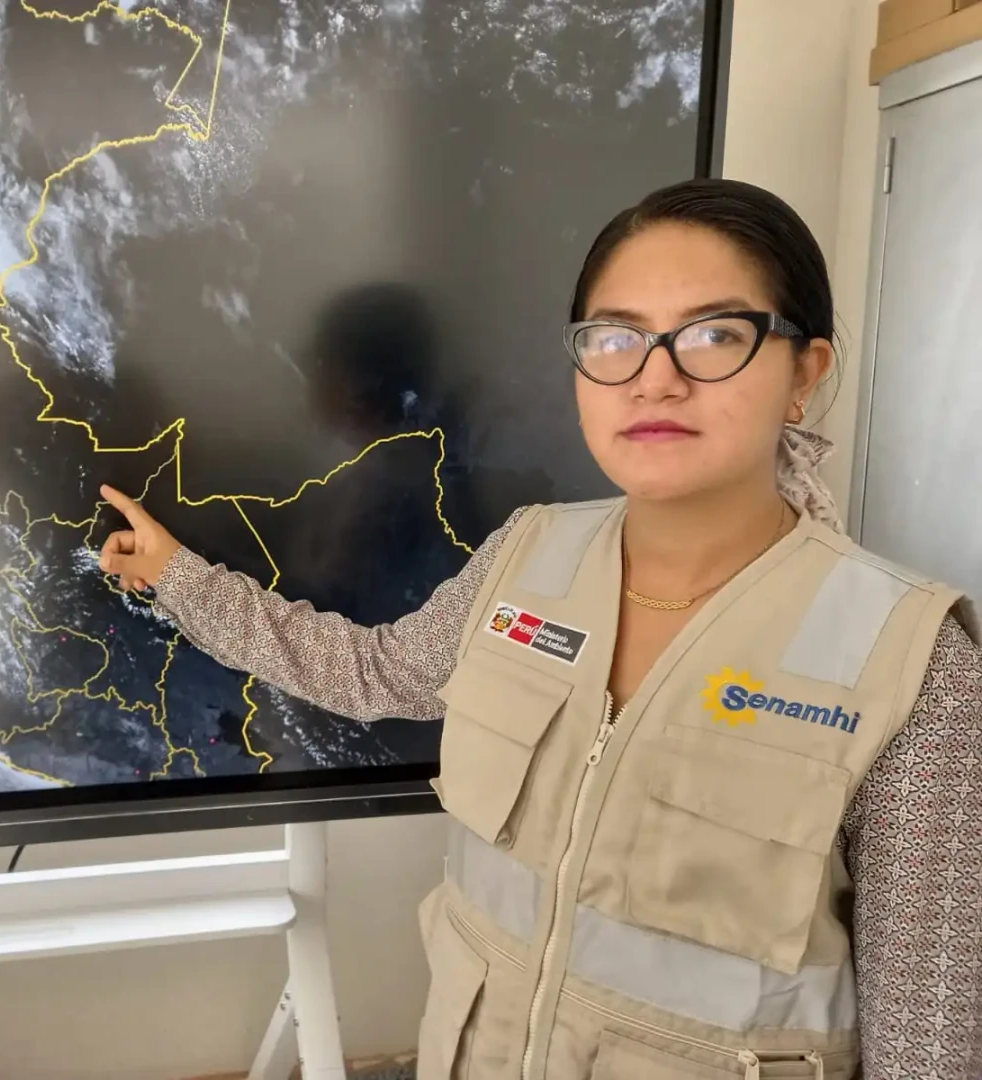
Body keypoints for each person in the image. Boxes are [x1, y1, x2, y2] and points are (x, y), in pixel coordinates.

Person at [97, 178, 982, 1080]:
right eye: (615, 337)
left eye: (716, 334)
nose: (656, 376)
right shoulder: (529, 553)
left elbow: (932, 1037)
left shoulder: (912, 666)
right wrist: (179, 579)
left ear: (805, 373)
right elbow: (374, 674)